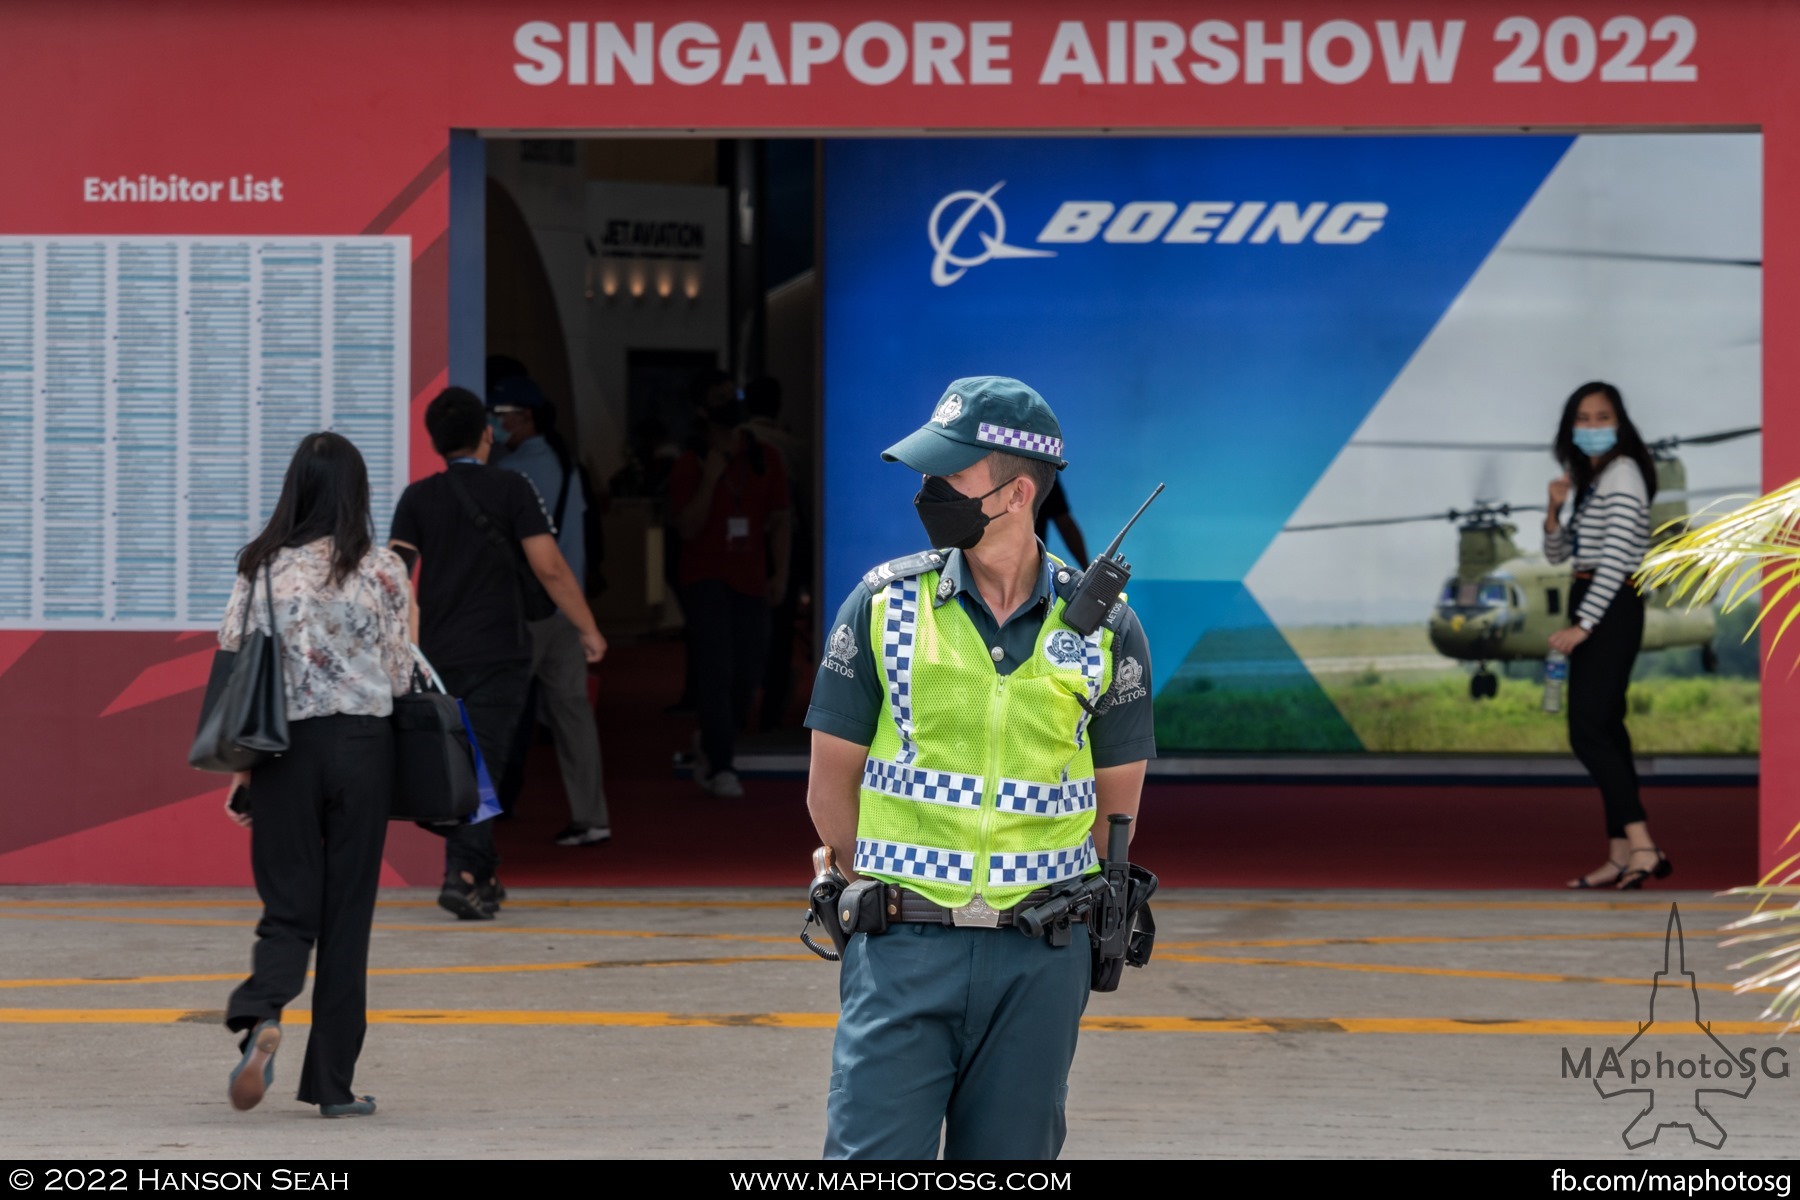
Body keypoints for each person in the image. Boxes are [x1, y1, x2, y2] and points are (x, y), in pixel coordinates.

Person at [803, 376, 1156, 1159]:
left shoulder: (1108, 630)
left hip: (1040, 957)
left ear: (1016, 491)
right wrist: (894, 895)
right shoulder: (883, 603)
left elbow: (1113, 814)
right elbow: (831, 787)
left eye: (950, 476)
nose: (929, 492)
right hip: (902, 942)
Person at [218, 432, 411, 1118]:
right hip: (363, 748)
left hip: (281, 750)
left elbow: (236, 666)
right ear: (355, 493)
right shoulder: (384, 568)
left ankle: (261, 1012)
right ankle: (331, 1086)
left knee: (288, 902)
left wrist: (240, 775)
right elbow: (396, 671)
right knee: (347, 917)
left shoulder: (261, 565)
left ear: (296, 486)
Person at [389, 386, 606, 919]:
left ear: (435, 442)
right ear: (487, 435)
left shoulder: (417, 497)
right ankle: (461, 874)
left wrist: (398, 639)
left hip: (439, 652)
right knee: (482, 762)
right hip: (500, 650)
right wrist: (588, 628)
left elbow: (395, 574)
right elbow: (549, 566)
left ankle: (483, 871)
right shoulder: (513, 488)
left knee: (466, 760)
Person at [1544, 381, 1671, 890]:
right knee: (1608, 732)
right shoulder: (1593, 478)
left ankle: (1643, 846)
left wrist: (1584, 625)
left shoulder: (1622, 474)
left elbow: (1618, 558)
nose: (1592, 427)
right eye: (1584, 418)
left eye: (1602, 417)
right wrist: (1554, 511)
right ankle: (1621, 855)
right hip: (1594, 595)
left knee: (1588, 730)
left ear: (1620, 423)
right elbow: (1560, 556)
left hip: (1610, 604)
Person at [488, 374, 614, 847]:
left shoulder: (515, 469)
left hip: (529, 612)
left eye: (499, 418)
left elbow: (541, 558)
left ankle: (478, 814)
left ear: (525, 417)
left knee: (493, 711)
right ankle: (592, 816)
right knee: (573, 717)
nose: (493, 427)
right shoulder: (564, 464)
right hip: (566, 609)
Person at [669, 377, 792, 796]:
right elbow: (686, 526)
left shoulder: (765, 458)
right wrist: (711, 477)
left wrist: (781, 574)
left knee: (749, 669)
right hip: (705, 580)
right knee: (716, 670)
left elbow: (780, 520)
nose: (730, 406)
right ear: (704, 411)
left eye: (733, 398)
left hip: (752, 578)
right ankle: (720, 765)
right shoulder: (691, 462)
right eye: (720, 400)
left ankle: (713, 740)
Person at [1034, 476, 1090, 567]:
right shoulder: (1041, 471)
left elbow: (1066, 526)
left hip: (1033, 565)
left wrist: (1087, 570)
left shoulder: (1042, 472)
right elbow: (1066, 526)